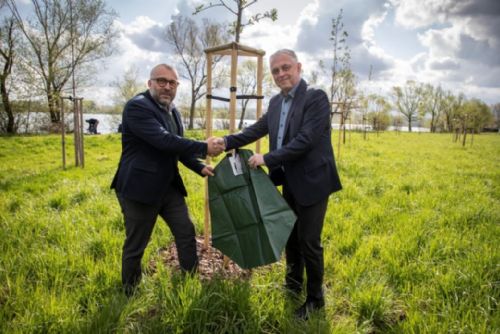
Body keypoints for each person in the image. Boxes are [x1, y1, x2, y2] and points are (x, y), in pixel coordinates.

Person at [216, 49, 342, 319]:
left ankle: (315, 298)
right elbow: (256, 130)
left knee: (309, 241)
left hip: (313, 181)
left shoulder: (315, 97)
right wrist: (227, 142)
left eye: (286, 67)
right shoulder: (275, 103)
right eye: (275, 70)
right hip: (288, 181)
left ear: (299, 67)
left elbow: (306, 140)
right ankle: (292, 284)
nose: (281, 73)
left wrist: (266, 158)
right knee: (290, 235)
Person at [111, 63, 223, 296]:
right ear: (149, 83)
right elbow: (164, 141)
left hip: (168, 187)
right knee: (137, 244)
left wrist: (200, 168)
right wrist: (204, 147)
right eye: (161, 81)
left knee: (186, 231)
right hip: (139, 190)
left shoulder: (174, 111)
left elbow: (178, 150)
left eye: (172, 83)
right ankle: (130, 292)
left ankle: (190, 280)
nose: (167, 87)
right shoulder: (137, 107)